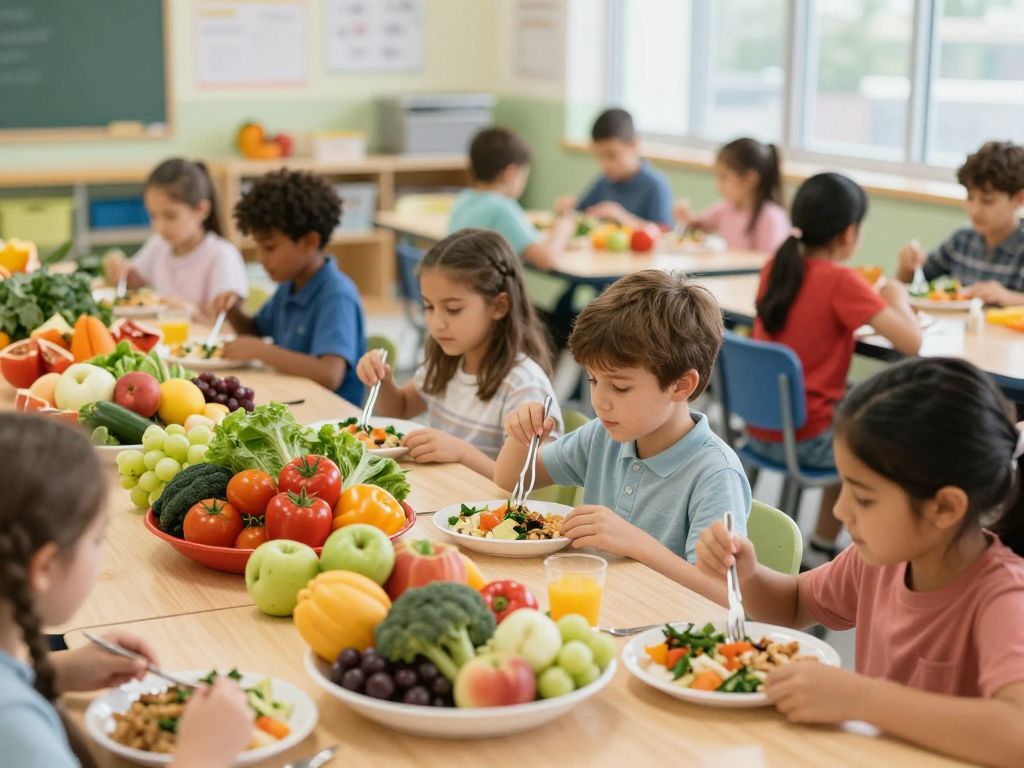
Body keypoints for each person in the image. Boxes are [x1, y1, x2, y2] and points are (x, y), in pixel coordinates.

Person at [698, 358, 1024, 768]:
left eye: (864, 497)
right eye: (844, 486)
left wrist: (860, 698)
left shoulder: (1003, 598)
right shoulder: (878, 560)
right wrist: (748, 574)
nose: (840, 511)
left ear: (944, 507)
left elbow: (1017, 732)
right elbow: (796, 604)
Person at [0, 413, 253, 768]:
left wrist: (54, 672)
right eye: (98, 539)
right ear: (44, 568)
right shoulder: (16, 727)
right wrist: (202, 754)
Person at [495, 270, 750, 602]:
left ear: (680, 385)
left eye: (619, 387)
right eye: (592, 380)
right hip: (600, 607)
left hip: (657, 630)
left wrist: (636, 544)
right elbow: (510, 479)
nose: (599, 400)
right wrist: (521, 435)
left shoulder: (715, 475)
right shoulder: (605, 435)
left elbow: (723, 595)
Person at [748, 172, 921, 568]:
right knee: (860, 430)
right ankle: (824, 545)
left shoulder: (777, 265)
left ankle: (820, 542)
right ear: (848, 233)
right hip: (807, 437)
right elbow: (911, 342)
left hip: (758, 428)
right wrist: (898, 295)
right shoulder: (844, 281)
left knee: (847, 407)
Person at [356, 229, 562, 478]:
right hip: (443, 496)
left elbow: (524, 486)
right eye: (428, 307)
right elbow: (399, 409)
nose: (436, 323)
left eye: (453, 309)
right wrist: (384, 381)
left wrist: (463, 454)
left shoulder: (524, 386)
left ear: (499, 306)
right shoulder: (447, 361)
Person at [211, 169, 366, 404]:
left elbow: (329, 374)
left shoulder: (336, 295)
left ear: (310, 242)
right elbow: (256, 333)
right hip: (294, 400)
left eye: (270, 247)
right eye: (259, 247)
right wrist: (233, 311)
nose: (261, 258)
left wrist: (261, 351)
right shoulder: (290, 285)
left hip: (331, 415)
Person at [104, 158, 248, 319]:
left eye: (170, 216)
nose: (159, 227)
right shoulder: (159, 245)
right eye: (153, 215)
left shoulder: (221, 256)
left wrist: (191, 313)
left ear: (201, 210)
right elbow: (133, 282)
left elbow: (230, 332)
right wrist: (120, 270)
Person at [897, 140, 1024, 307]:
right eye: (970, 197)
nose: (975, 210)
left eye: (988, 201)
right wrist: (908, 266)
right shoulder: (962, 241)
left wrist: (1010, 298)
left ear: (1019, 199)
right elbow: (914, 284)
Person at [448, 127, 575, 271]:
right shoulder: (502, 208)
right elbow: (547, 260)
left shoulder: (464, 198)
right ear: (511, 173)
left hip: (461, 289)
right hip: (488, 292)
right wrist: (563, 229)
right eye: (524, 175)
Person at [554, 108, 674, 228]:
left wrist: (623, 218)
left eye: (612, 155)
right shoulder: (603, 182)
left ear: (634, 145)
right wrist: (568, 209)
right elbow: (582, 213)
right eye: (599, 156)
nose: (605, 164)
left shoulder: (655, 186)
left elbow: (665, 233)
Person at [674, 137, 790, 252]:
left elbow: (770, 263)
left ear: (749, 179)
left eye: (724, 177)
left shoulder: (771, 217)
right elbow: (699, 225)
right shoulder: (726, 208)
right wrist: (686, 218)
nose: (718, 185)